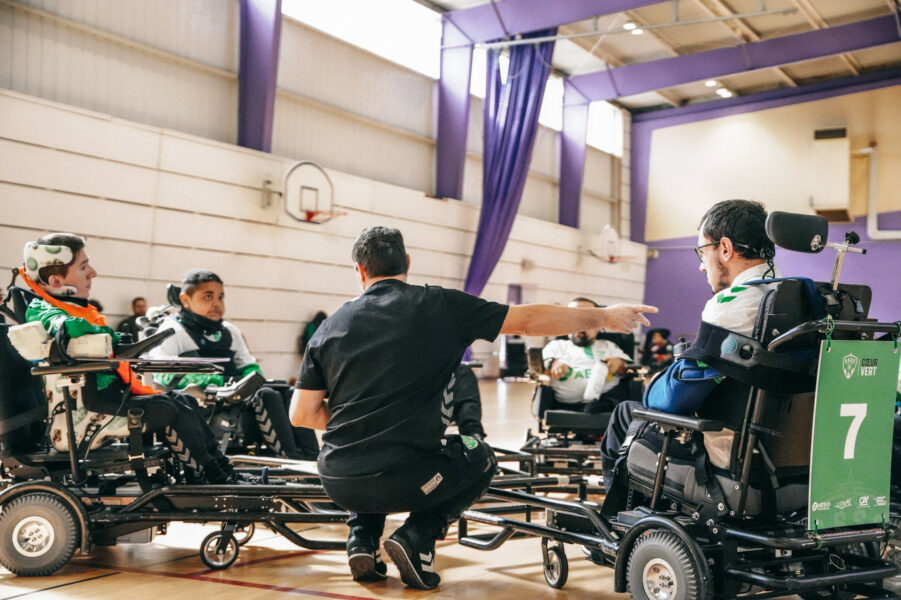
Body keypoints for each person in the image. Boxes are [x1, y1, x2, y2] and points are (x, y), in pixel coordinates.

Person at [290, 226, 656, 589]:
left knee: (370, 450)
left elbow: (301, 415)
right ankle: (417, 536)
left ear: (360, 270)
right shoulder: (442, 305)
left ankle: (362, 540)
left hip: (339, 482)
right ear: (408, 263)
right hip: (410, 480)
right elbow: (527, 321)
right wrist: (604, 317)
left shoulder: (329, 327)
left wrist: (362, 427)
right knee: (479, 455)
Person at [20, 233, 236, 483]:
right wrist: (111, 338)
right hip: (96, 403)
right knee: (169, 409)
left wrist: (117, 340)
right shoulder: (42, 309)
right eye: (83, 267)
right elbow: (68, 327)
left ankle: (221, 469)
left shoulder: (68, 306)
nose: (93, 272)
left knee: (183, 398)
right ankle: (209, 477)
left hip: (109, 395)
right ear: (56, 280)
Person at [600, 199, 779, 490]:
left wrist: (655, 381)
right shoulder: (806, 301)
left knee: (625, 414)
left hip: (730, 459)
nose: (700, 266)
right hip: (788, 458)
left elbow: (671, 401)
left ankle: (618, 525)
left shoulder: (732, 305)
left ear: (725, 248)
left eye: (702, 252)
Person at [145, 269, 319, 460]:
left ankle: (313, 460)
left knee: (290, 393)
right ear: (185, 300)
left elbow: (249, 367)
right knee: (266, 396)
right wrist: (219, 381)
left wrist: (251, 379)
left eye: (221, 297)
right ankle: (291, 462)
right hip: (206, 403)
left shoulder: (229, 331)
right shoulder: (173, 331)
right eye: (208, 296)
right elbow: (163, 372)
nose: (216, 304)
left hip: (237, 396)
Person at [541, 297, 633, 413]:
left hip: (605, 402)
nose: (580, 325)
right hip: (565, 405)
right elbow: (543, 361)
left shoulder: (608, 346)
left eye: (587, 320)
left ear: (599, 326)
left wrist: (620, 363)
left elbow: (629, 368)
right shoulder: (556, 346)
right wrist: (554, 363)